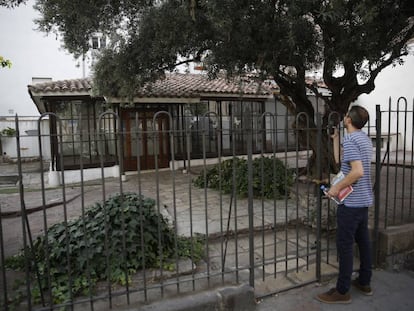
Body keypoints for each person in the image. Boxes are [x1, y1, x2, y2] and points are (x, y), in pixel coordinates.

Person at [316, 105, 374, 304]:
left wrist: (335, 188)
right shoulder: (364, 139)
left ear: (348, 120)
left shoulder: (351, 140)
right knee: (364, 242)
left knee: (345, 246)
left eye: (346, 114)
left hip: (350, 204)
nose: (345, 116)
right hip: (364, 201)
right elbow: (344, 163)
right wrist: (336, 140)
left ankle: (342, 291)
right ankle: (365, 282)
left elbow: (357, 172)